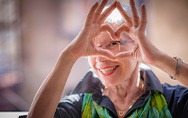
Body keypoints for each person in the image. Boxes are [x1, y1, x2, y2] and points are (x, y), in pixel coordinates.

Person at [23, 0, 188, 117]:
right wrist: (68, 56)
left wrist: (159, 58)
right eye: (93, 47)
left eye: (113, 43)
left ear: (137, 44)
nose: (101, 58)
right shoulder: (80, 105)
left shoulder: (170, 100)